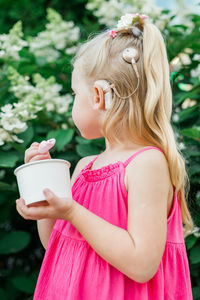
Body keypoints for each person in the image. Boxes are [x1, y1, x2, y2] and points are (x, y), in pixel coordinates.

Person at [16, 12, 194, 300]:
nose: (73, 101)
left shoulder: (146, 164)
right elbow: (56, 245)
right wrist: (44, 196)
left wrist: (72, 211)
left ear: (98, 96)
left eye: (75, 93)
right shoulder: (86, 166)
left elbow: (141, 265)